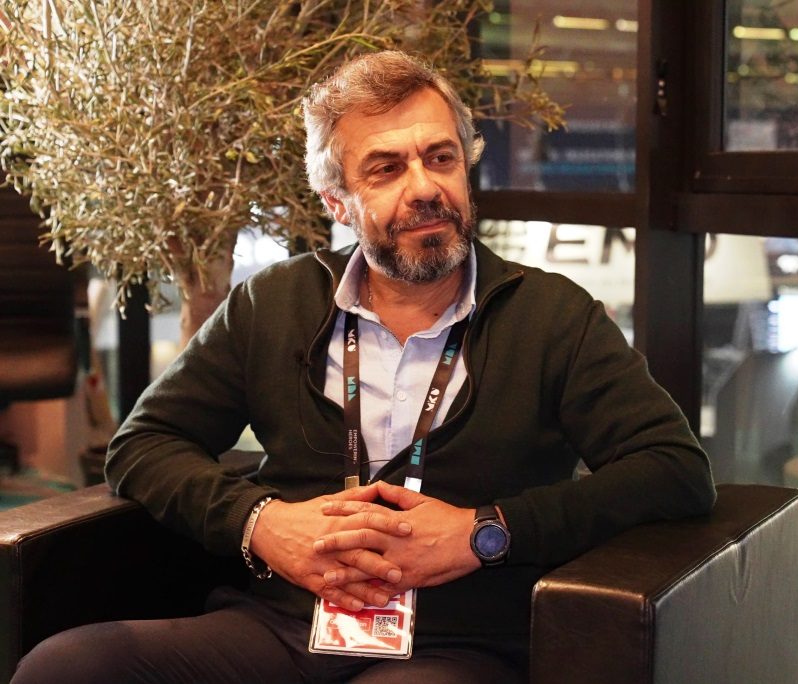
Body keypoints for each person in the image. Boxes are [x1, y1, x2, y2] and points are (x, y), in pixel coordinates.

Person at [12, 50, 715, 683]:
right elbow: (143, 445)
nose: (424, 187)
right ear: (337, 203)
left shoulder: (553, 316)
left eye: (440, 158)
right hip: (283, 625)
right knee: (66, 666)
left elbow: (673, 469)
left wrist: (487, 531)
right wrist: (261, 522)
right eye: (386, 168)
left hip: (459, 644)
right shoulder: (274, 302)